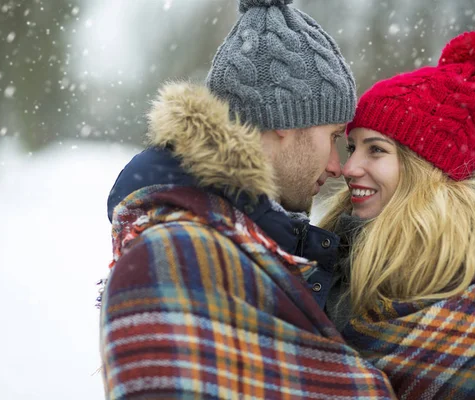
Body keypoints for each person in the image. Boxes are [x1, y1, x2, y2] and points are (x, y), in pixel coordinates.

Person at [99, 0, 394, 398]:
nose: (336, 165)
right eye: (334, 137)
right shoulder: (174, 253)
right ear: (286, 124)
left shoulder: (244, 237)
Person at [319, 31, 475, 399]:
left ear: (425, 168)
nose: (349, 167)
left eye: (375, 150)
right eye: (352, 147)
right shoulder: (329, 260)